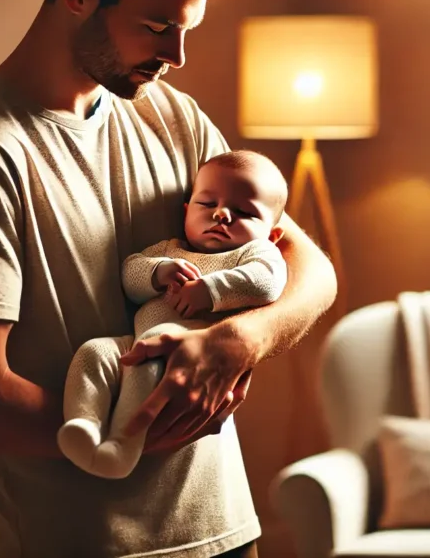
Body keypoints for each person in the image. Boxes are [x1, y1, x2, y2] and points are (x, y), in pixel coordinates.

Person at [0, 0, 337, 556]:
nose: (178, 55)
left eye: (187, 28)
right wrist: (137, 427)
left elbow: (311, 267)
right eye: (160, 25)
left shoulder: (172, 114)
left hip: (228, 533)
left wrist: (240, 342)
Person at [60, 150, 289, 480]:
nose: (221, 214)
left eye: (243, 212)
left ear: (272, 234)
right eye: (207, 204)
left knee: (153, 341)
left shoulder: (255, 252)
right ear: (186, 210)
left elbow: (267, 281)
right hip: (136, 344)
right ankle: (84, 425)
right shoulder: (171, 249)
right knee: (94, 352)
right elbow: (129, 274)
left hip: (184, 359)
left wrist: (210, 290)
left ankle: (122, 446)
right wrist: (157, 273)